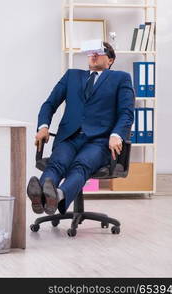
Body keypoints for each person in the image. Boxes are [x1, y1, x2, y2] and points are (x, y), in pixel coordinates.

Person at [27, 42, 135, 216]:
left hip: (99, 141)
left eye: (100, 52)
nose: (93, 55)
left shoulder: (120, 78)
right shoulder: (72, 76)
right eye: (90, 52)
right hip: (69, 137)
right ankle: (40, 196)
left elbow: (127, 113)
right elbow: (49, 104)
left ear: (110, 60)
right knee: (57, 164)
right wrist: (43, 127)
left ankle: (57, 196)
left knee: (81, 166)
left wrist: (116, 135)